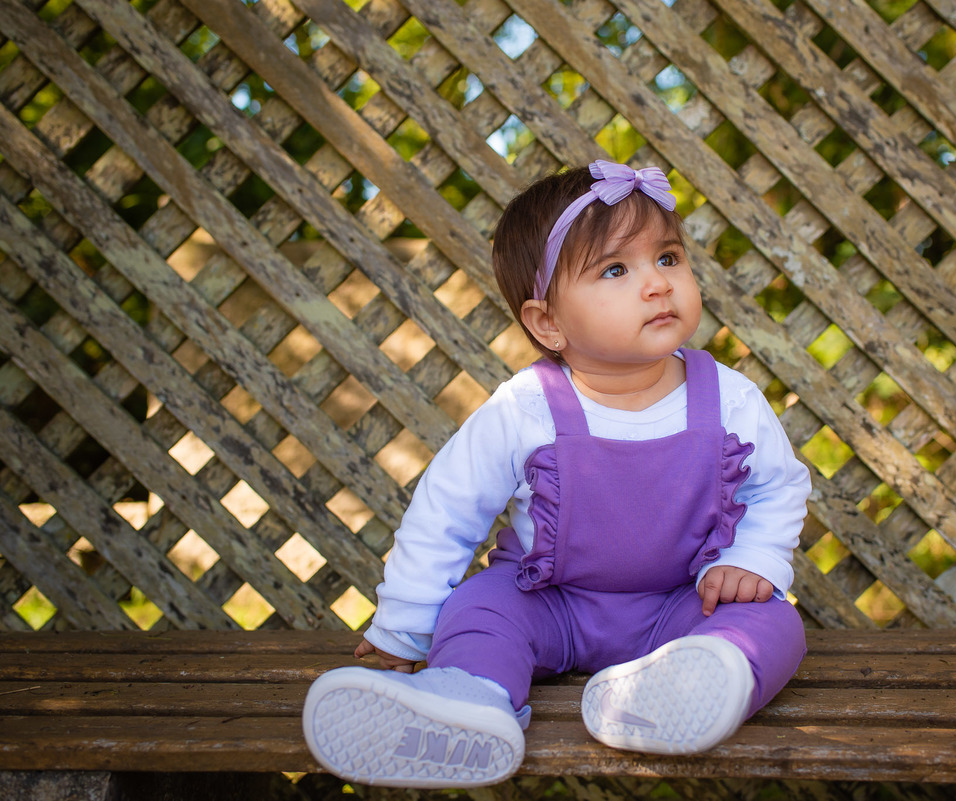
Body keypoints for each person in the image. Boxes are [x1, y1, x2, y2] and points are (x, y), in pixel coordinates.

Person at [302, 160, 810, 788]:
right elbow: (446, 512)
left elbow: (778, 484)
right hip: (548, 601)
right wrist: (403, 630)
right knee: (480, 610)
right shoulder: (524, 408)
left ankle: (696, 680)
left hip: (681, 604)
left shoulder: (728, 398)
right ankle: (467, 701)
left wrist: (755, 559)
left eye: (669, 259)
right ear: (547, 322)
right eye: (616, 270)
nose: (657, 284)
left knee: (775, 621)